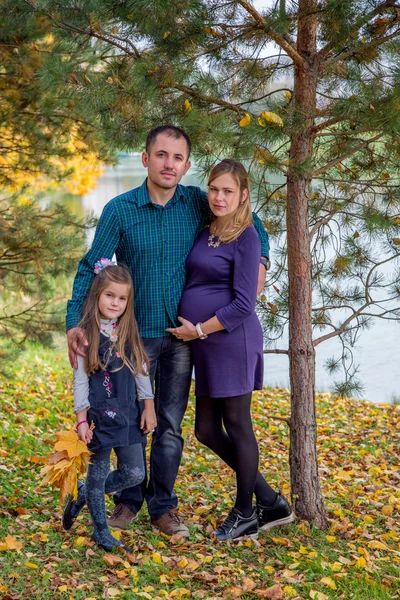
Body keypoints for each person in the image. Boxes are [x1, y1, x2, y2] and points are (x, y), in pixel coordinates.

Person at [66, 125, 270, 538]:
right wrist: (75, 320)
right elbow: (92, 266)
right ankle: (128, 501)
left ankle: (163, 507)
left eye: (177, 158)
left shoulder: (196, 202)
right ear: (146, 159)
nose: (169, 164)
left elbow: (251, 221)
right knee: (127, 421)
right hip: (130, 341)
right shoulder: (121, 210)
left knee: (170, 425)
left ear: (186, 165)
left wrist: (262, 259)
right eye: (161, 155)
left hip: (180, 340)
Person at [167, 159, 293, 541]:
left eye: (227, 191)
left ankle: (245, 514)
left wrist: (199, 331)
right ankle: (270, 500)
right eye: (214, 189)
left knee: (238, 425)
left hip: (230, 339)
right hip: (205, 346)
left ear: (243, 195)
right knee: (206, 430)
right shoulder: (207, 230)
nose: (219, 197)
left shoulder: (247, 235)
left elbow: (243, 303)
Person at [62, 261, 156, 552]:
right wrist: (80, 419)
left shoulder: (128, 330)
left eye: (122, 298)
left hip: (127, 411)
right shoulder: (85, 336)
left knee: (135, 473)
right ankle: (101, 531)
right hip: (97, 418)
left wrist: (148, 405)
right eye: (109, 295)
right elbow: (79, 380)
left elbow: (140, 369)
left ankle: (82, 497)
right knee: (98, 472)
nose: (115, 302)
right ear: (97, 296)